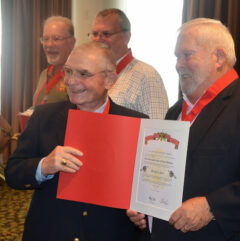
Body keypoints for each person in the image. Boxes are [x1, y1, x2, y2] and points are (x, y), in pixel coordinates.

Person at [127, 18, 240, 241]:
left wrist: (211, 207)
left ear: (219, 57)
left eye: (187, 55)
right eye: (177, 57)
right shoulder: (175, 111)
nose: (178, 64)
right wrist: (145, 207)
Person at [5, 42, 148, 241]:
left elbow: (147, 189)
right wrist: (43, 166)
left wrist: (143, 215)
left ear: (109, 80)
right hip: (51, 232)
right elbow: (12, 173)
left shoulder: (137, 124)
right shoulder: (44, 116)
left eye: (83, 74)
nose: (71, 81)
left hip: (110, 233)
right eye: (68, 71)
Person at [90, 8, 169, 119]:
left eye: (106, 34)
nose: (98, 39)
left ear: (126, 37)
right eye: (95, 34)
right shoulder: (90, 75)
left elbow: (157, 127)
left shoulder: (147, 76)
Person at [33, 16, 76, 106]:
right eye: (46, 39)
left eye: (56, 39)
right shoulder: (44, 74)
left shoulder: (78, 77)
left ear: (72, 42)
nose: (49, 44)